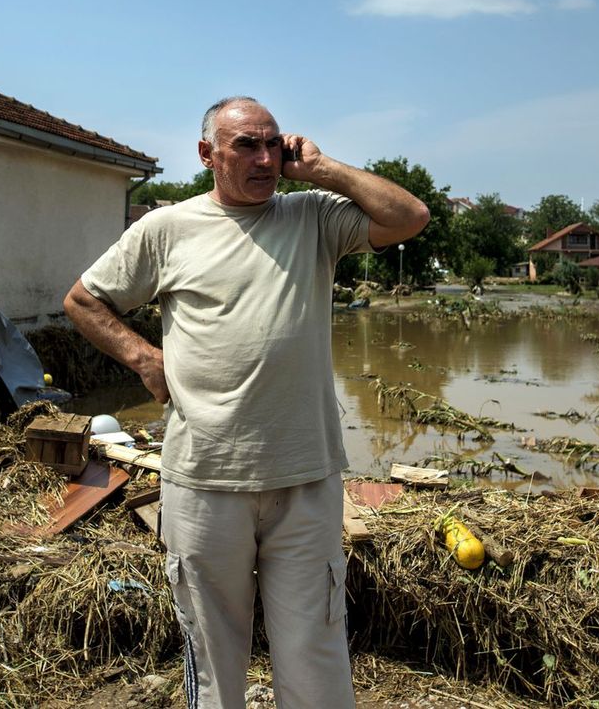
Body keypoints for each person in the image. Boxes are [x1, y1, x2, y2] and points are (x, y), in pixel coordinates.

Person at [63, 96, 429, 709]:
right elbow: (83, 300)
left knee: (315, 650)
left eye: (272, 144)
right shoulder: (165, 228)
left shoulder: (311, 217)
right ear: (207, 154)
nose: (264, 158)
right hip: (206, 478)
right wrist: (145, 360)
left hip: (305, 475)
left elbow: (410, 216)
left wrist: (324, 170)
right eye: (245, 145)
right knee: (213, 655)